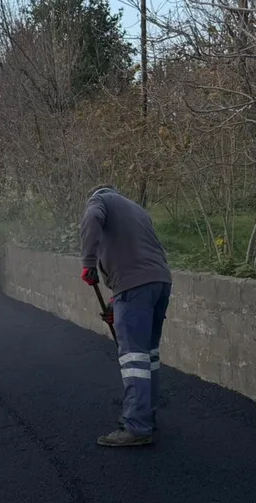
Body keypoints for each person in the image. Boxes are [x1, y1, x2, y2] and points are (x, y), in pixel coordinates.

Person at [79, 185, 173, 447]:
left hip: (134, 287)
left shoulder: (99, 201)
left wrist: (88, 263)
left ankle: (136, 426)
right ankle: (147, 416)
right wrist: (115, 302)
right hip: (159, 282)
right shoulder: (137, 211)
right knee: (148, 355)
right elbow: (140, 256)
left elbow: (92, 218)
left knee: (133, 358)